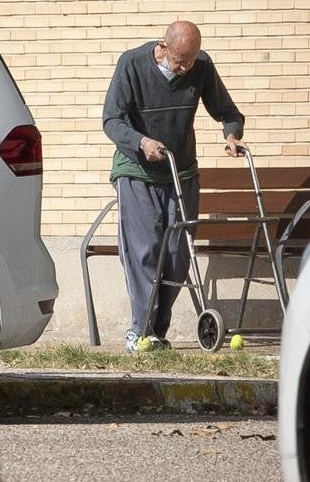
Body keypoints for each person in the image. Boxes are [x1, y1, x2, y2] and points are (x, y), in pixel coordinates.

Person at [102, 20, 246, 352]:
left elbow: (226, 110)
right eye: (180, 60)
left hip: (181, 172)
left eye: (190, 60)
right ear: (163, 48)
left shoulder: (202, 66)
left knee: (178, 255)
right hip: (138, 172)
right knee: (145, 251)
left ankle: (157, 333)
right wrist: (140, 142)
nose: (185, 68)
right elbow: (112, 119)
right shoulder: (132, 64)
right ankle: (139, 330)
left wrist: (232, 134)